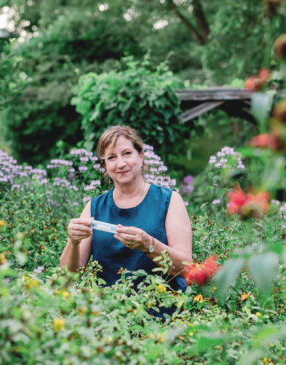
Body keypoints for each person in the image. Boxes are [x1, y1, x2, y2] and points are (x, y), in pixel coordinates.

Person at [60, 125, 192, 298]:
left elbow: (187, 268)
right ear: (104, 165)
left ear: (141, 155)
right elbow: (68, 277)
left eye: (127, 153)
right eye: (112, 157)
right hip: (111, 316)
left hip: (164, 315)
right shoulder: (94, 207)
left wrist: (149, 244)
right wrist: (74, 242)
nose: (121, 163)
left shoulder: (169, 200)